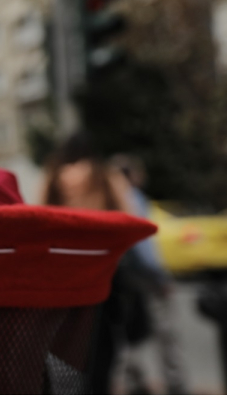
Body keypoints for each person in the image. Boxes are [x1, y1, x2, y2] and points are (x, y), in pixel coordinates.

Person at [39, 133, 150, 395]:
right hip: (104, 272)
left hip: (64, 274)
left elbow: (39, 217)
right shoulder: (106, 176)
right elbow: (129, 216)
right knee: (103, 344)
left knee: (67, 345)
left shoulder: (52, 177)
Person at [110, 154, 188, 395]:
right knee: (165, 332)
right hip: (147, 276)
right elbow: (144, 244)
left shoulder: (109, 199)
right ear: (131, 175)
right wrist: (160, 276)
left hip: (124, 277)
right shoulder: (131, 198)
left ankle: (136, 382)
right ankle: (175, 385)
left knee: (130, 333)